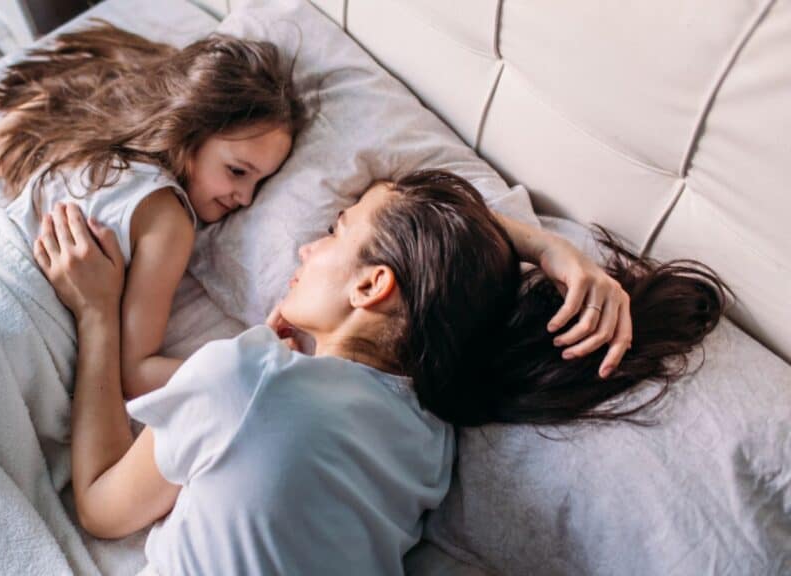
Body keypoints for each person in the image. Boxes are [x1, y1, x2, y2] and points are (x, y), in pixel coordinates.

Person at [36, 168, 725, 574]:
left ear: (372, 286)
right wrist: (544, 246)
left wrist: (97, 312)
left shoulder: (245, 378)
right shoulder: (430, 441)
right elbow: (448, 248)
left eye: (335, 232)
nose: (306, 246)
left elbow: (101, 507)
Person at [0, 21, 307, 400]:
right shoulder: (168, 219)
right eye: (237, 171)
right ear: (189, 129)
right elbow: (136, 374)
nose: (246, 198)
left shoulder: (93, 152)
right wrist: (257, 365)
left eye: (260, 183)